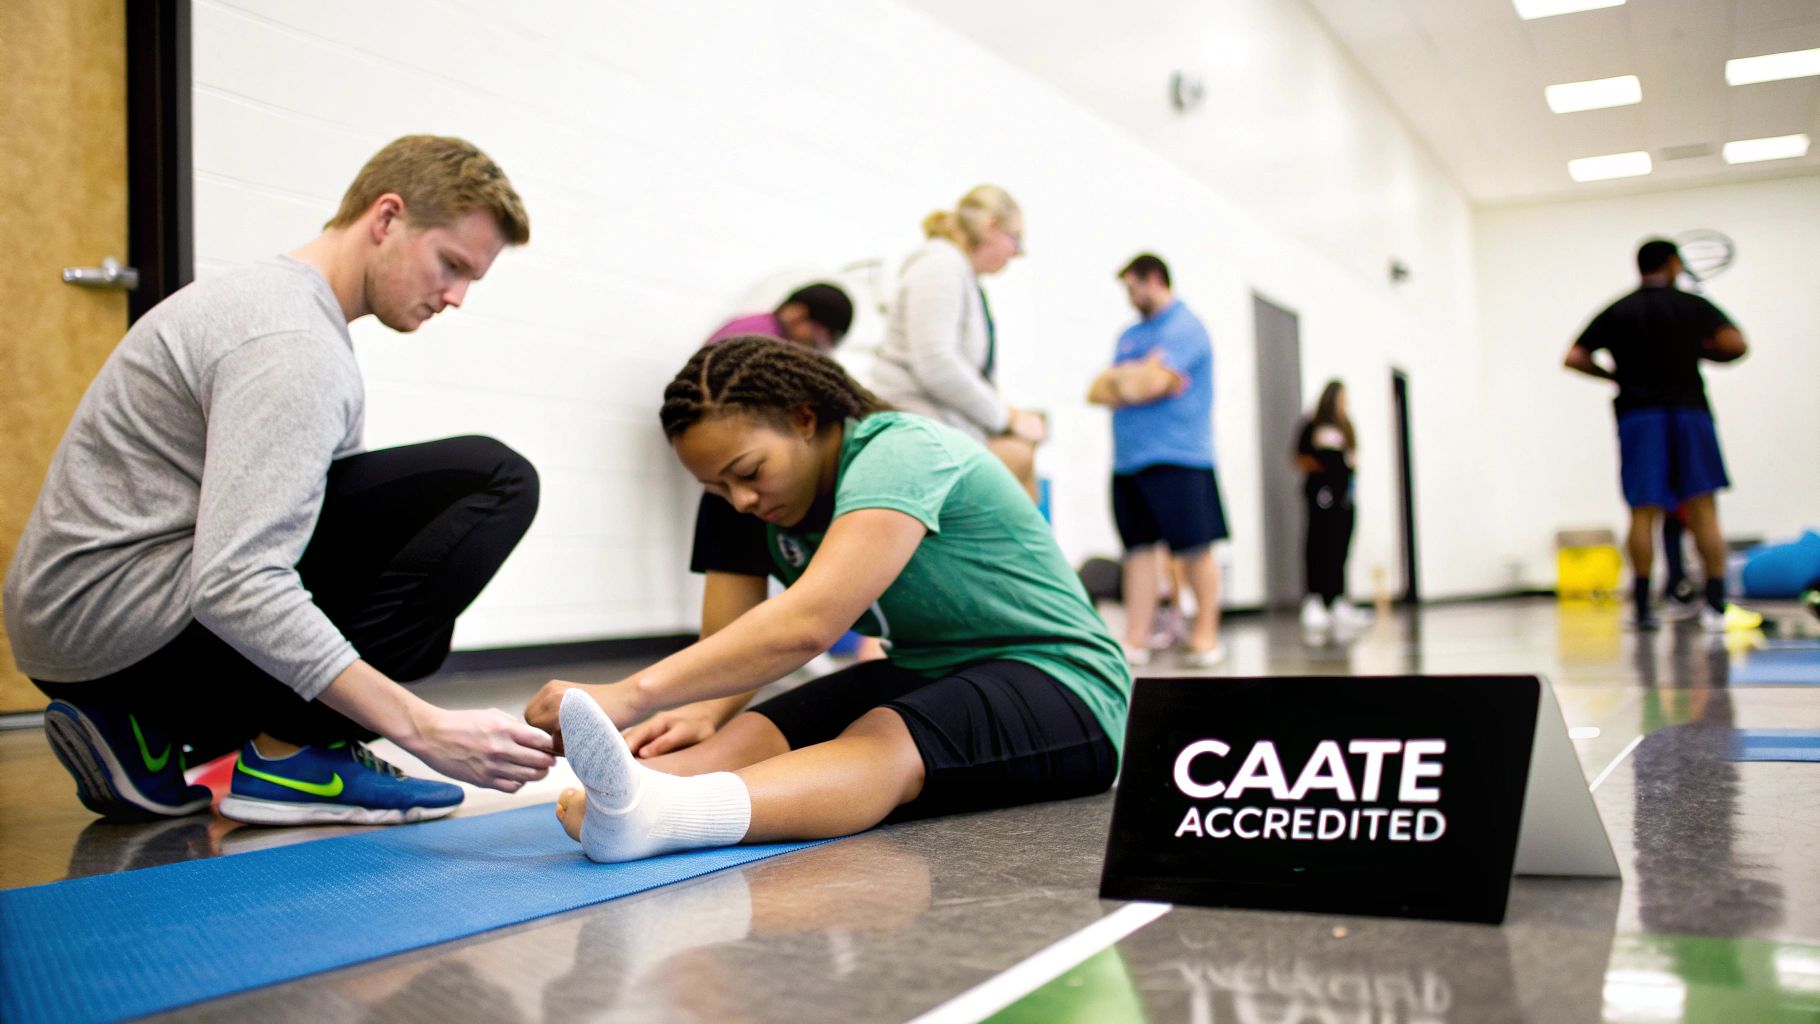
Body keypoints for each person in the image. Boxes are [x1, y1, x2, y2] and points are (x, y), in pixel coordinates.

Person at [4, 135, 556, 825]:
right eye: (451, 264)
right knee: (493, 480)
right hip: (124, 630)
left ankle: (142, 732)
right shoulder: (292, 345)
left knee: (417, 599)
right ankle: (297, 756)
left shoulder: (275, 309)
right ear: (386, 219)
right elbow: (236, 581)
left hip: (79, 635)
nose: (456, 297)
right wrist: (421, 728)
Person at [523, 336, 1129, 862]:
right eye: (715, 485)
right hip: (930, 667)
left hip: (1068, 682)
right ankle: (630, 798)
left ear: (806, 419)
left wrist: (627, 696)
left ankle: (666, 816)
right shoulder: (738, 503)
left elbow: (808, 625)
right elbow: (730, 648)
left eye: (750, 472)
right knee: (753, 730)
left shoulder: (900, 452)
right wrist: (702, 714)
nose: (738, 499)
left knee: (883, 734)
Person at [1564, 237, 1749, 632]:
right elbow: (1736, 344)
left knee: (1642, 511)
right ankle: (1716, 605)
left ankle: (1645, 606)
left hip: (1639, 415)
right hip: (1688, 412)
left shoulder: (1619, 310)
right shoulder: (1691, 306)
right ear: (1673, 264)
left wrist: (1615, 376)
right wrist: (1702, 352)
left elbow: (1575, 357)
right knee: (1703, 509)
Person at [1087, 254, 1228, 668]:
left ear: (1154, 281)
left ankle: (1205, 635)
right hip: (1129, 462)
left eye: (1133, 287)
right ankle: (1135, 638)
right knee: (1137, 551)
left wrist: (1132, 380)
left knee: (1193, 549)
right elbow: (1097, 389)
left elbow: (1143, 386)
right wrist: (1135, 378)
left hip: (1180, 456)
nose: (1131, 297)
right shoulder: (1128, 335)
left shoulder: (1187, 327)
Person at [869, 185, 1047, 500]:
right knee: (1018, 457)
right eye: (1015, 239)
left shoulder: (959, 273)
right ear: (991, 226)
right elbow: (937, 364)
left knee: (1021, 454)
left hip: (936, 423)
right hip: (915, 426)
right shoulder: (941, 266)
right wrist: (1009, 419)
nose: (1017, 252)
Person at [1294, 380, 1369, 642]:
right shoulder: (1313, 424)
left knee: (1340, 547)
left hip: (1344, 497)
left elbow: (1352, 456)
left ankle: (1337, 599)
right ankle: (1315, 600)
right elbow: (1299, 457)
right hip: (1321, 496)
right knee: (1319, 546)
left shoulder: (1345, 425)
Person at [705, 282, 855, 352]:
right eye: (817, 338)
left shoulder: (753, 324)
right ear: (798, 313)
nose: (813, 349)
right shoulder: (763, 340)